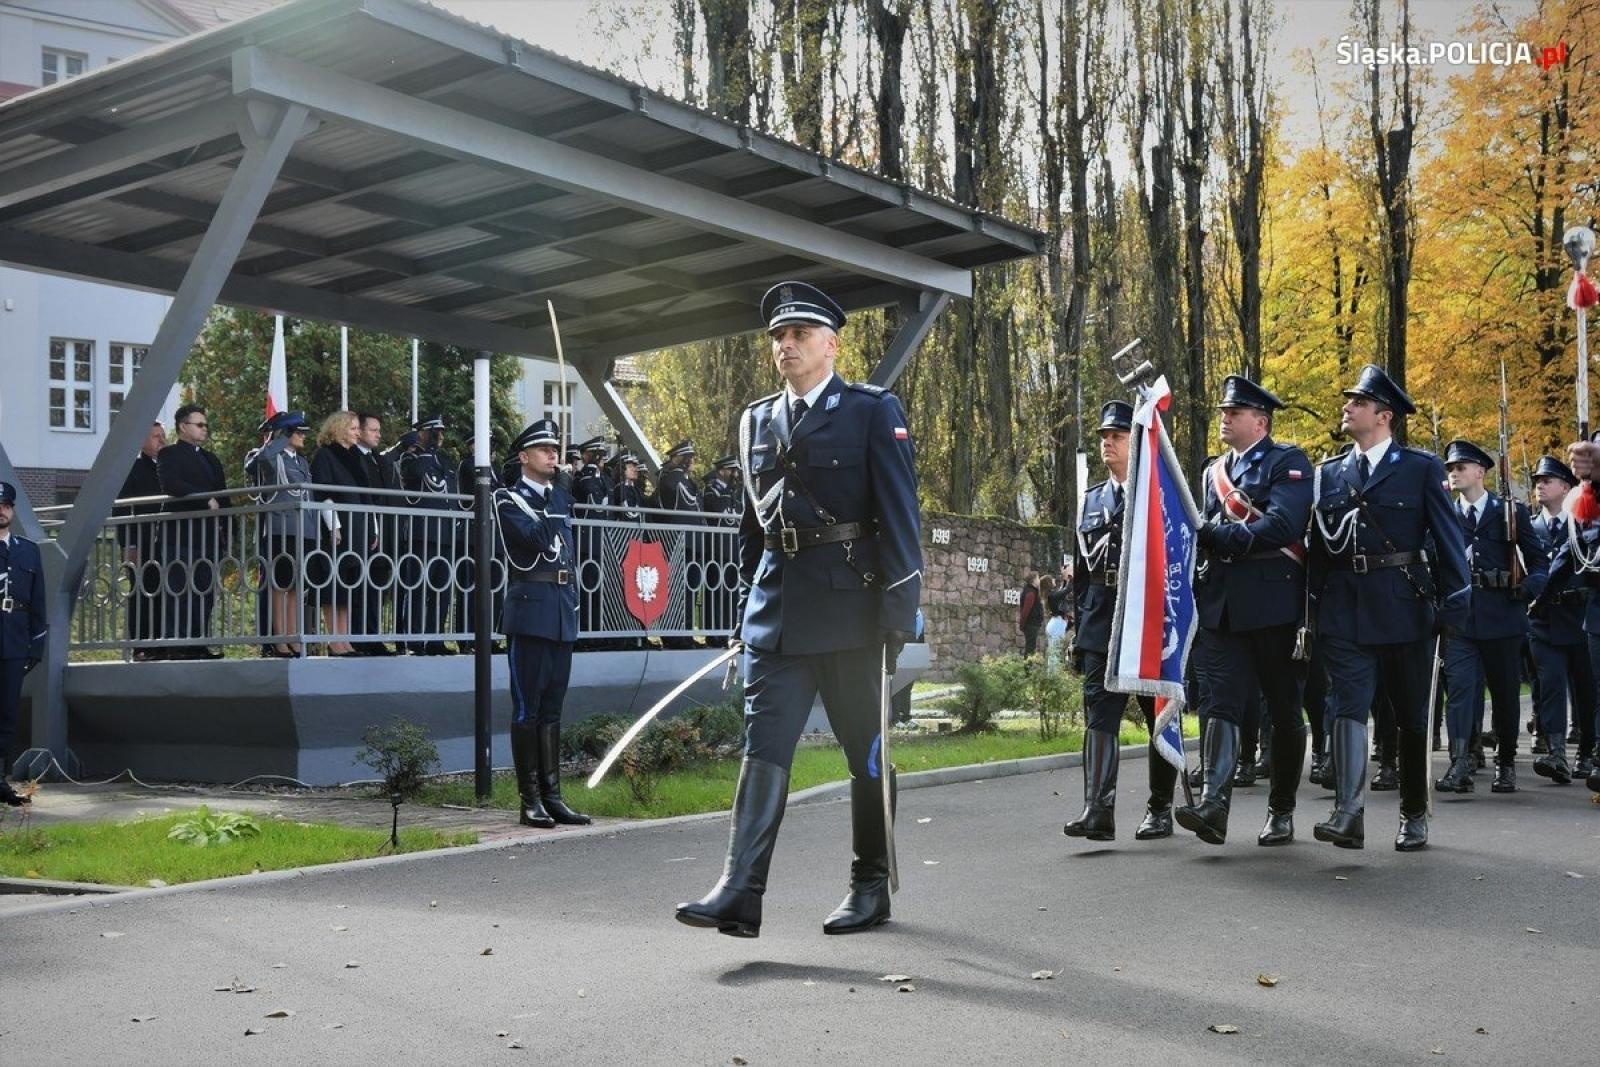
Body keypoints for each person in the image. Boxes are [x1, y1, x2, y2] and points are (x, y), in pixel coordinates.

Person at [677, 280, 921, 938]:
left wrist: (901, 616)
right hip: (777, 613)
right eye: (779, 337)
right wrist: (743, 614)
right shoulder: (757, 419)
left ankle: (870, 883)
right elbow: (752, 532)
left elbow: (901, 519)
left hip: (850, 615)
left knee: (865, 752)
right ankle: (740, 889)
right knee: (764, 748)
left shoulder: (871, 410)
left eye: (800, 335)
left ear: (832, 344)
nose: (786, 345)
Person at [1306, 366, 1471, 851]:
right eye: (1348, 399)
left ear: (1384, 415)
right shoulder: (1329, 473)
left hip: (1404, 609)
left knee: (1410, 717)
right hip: (1346, 611)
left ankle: (1414, 813)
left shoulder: (1419, 468)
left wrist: (1454, 605)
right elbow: (1320, 548)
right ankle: (1349, 813)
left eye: (1357, 401)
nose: (1347, 406)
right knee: (1349, 708)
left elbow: (1449, 541)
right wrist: (1310, 610)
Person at [1177, 376, 1315, 845]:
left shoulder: (1288, 462)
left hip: (1273, 606)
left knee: (1282, 710)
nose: (1224, 418)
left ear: (1261, 421)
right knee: (1220, 704)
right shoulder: (1212, 470)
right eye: (1222, 412)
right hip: (1221, 607)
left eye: (1234, 413)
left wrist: (1220, 537)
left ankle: (1281, 809)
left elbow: (1282, 525)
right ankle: (1214, 803)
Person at [1063, 401, 1173, 843]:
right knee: (1099, 714)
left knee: (1157, 714)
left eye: (1118, 436)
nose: (1108, 443)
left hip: (1146, 616)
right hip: (1100, 616)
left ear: (1138, 442)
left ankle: (1160, 808)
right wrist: (1078, 631)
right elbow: (1082, 574)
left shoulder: (1159, 495)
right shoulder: (1091, 500)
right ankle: (1098, 809)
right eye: (1104, 437)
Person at [1433, 439, 1548, 795]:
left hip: (1502, 615)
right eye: (1450, 468)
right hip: (1461, 620)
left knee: (1504, 693)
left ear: (1480, 472)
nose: (1454, 473)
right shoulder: (1444, 514)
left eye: (1460, 467)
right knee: (1462, 692)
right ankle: (1460, 762)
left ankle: (1506, 762)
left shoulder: (1509, 512)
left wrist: (1527, 589)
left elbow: (1539, 562)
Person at [496, 418, 589, 829]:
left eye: (555, 448)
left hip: (560, 610)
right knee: (527, 709)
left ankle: (553, 796)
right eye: (544, 449)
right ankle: (528, 799)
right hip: (531, 611)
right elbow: (535, 541)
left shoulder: (557, 497)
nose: (554, 455)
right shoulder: (507, 499)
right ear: (524, 457)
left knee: (552, 708)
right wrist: (558, 500)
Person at [1527, 457, 1592, 783]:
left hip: (1579, 616)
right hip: (1545, 619)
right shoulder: (1528, 525)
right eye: (1537, 479)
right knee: (1550, 685)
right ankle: (1556, 753)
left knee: (1586, 688)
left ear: (1566, 487)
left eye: (1547, 480)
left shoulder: (1582, 522)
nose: (1540, 484)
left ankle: (1587, 752)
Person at [157, 404, 229, 659]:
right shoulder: (169, 454)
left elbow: (223, 496)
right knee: (179, 590)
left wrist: (226, 530)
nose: (204, 429)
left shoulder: (211, 459)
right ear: (183, 427)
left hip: (208, 537)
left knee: (204, 591)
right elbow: (172, 484)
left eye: (206, 425)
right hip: (180, 536)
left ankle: (198, 643)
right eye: (199, 425)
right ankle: (177, 646)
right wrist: (203, 500)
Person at [246, 411, 319, 657]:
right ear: (286, 434)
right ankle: (280, 639)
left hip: (303, 530)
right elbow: (255, 464)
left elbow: (310, 496)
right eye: (298, 432)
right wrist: (279, 437)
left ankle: (294, 637)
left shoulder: (302, 462)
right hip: (281, 529)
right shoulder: (270, 456)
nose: (302, 437)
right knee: (280, 586)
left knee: (297, 586)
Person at [309, 411, 372, 656]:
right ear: (339, 429)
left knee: (349, 586)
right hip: (338, 528)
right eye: (354, 428)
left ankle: (344, 639)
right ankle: (334, 641)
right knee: (334, 584)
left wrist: (373, 527)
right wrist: (333, 525)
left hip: (358, 526)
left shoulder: (356, 458)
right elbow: (323, 492)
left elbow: (366, 495)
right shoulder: (325, 455)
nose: (358, 433)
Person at [0, 483, 47, 806]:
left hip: (14, 640)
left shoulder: (28, 550)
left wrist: (36, 645)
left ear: (12, 510)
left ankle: (0, 782)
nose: (1, 510)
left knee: (7, 715)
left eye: (6, 505)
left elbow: (39, 602)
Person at [399, 415, 459, 655]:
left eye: (441, 432)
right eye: (436, 432)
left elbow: (450, 491)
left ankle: (435, 640)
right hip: (421, 532)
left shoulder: (442, 459)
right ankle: (413, 641)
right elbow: (417, 476)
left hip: (444, 533)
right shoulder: (410, 458)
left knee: (441, 589)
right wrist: (425, 449)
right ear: (423, 433)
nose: (441, 437)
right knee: (417, 588)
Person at [115, 422, 166, 660]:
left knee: (165, 593)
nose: (162, 440)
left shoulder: (167, 467)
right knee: (142, 593)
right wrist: (129, 545)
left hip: (167, 543)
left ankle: (164, 643)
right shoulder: (133, 469)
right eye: (156, 436)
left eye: (163, 436)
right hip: (142, 542)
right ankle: (142, 646)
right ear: (142, 441)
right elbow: (121, 510)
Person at [353, 413, 399, 655]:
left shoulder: (379, 461)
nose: (378, 435)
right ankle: (359, 637)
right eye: (373, 430)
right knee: (359, 584)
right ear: (358, 431)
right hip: (361, 529)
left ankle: (373, 635)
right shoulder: (352, 458)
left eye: (379, 430)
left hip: (382, 528)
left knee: (377, 585)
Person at [701, 455, 743, 637]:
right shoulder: (712, 490)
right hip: (717, 550)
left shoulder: (731, 492)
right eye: (731, 470)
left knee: (732, 593)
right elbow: (716, 511)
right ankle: (714, 633)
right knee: (717, 592)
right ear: (721, 471)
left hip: (733, 550)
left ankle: (730, 629)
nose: (735, 474)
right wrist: (727, 493)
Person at [1017, 569, 1044, 656]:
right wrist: (1022, 625)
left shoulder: (1032, 591)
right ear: (1033, 580)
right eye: (1038, 578)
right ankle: (1027, 669)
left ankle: (1028, 667)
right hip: (1031, 624)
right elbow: (1025, 611)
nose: (1039, 580)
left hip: (1032, 624)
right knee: (1030, 648)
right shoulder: (1031, 593)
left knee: (1030, 647)